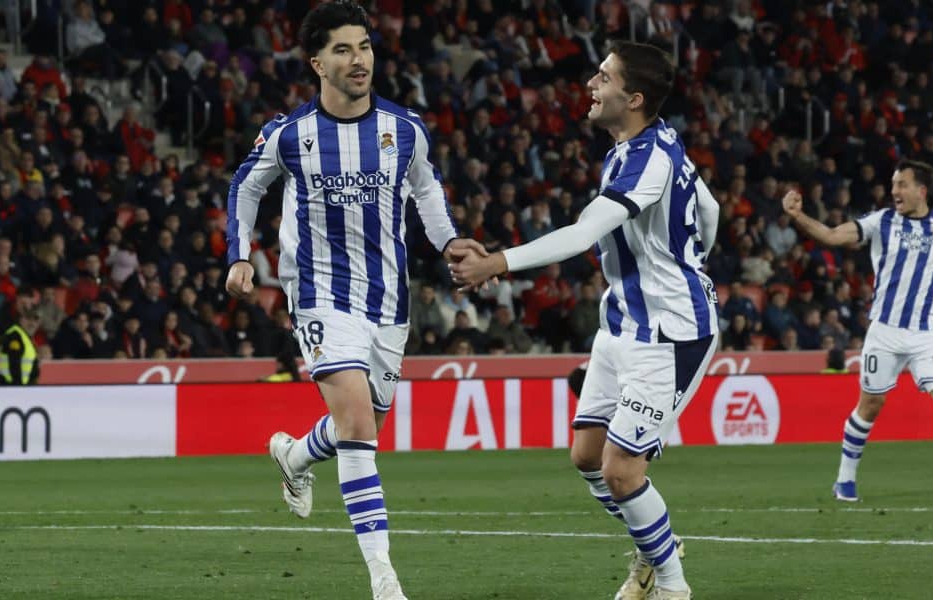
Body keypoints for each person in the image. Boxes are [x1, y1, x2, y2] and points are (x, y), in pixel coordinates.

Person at [223, 3, 483, 598]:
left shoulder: (404, 129)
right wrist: (240, 253)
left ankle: (294, 456)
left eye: (363, 46)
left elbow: (425, 187)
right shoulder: (291, 135)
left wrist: (449, 243)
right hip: (318, 294)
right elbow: (246, 184)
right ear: (317, 62)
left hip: (388, 300)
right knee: (360, 424)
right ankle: (384, 579)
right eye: (342, 49)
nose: (358, 59)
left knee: (361, 424)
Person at [451, 40, 719, 600]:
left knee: (623, 472)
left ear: (635, 97)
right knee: (587, 457)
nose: (591, 85)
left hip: (670, 334)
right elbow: (709, 209)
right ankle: (657, 547)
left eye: (604, 77)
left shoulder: (648, 159)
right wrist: (694, 256)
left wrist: (497, 261)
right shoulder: (640, 145)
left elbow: (580, 235)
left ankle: (671, 585)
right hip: (621, 324)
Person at [782, 159, 933, 502]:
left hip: (926, 333)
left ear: (922, 190)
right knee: (871, 405)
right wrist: (798, 216)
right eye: (893, 184)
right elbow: (831, 235)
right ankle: (845, 480)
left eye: (902, 184)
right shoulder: (882, 222)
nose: (894, 191)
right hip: (884, 332)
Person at [0, 310, 41, 385]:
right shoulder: (15, 336)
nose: (32, 323)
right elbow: (14, 363)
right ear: (21, 319)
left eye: (35, 320)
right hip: (11, 387)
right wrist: (18, 387)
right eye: (28, 319)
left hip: (19, 387)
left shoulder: (25, 337)